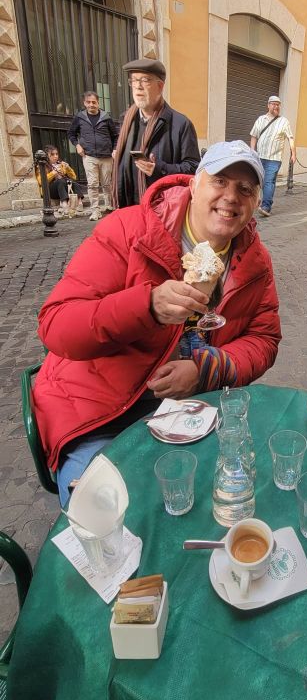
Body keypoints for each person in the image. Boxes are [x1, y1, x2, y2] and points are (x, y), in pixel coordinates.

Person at [33, 141, 281, 505]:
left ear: (256, 201)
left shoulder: (254, 260)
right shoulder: (129, 230)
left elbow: (264, 338)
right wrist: (146, 306)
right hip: (103, 414)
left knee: (228, 496)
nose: (231, 197)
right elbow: (56, 325)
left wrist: (205, 369)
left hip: (195, 412)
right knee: (102, 513)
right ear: (194, 185)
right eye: (220, 181)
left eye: (245, 189)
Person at [112, 58, 200, 208]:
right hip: (129, 206)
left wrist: (159, 168)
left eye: (145, 80)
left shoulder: (181, 124)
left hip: (161, 208)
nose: (138, 87)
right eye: (134, 80)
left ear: (160, 86)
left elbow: (193, 168)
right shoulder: (126, 120)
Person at [69, 91, 119, 221]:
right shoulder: (79, 118)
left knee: (107, 184)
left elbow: (116, 136)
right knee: (92, 184)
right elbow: (71, 134)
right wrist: (77, 145)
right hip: (89, 156)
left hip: (106, 156)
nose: (91, 104)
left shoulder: (106, 117)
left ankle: (109, 206)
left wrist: (115, 149)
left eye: (94, 102)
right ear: (84, 103)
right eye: (88, 102)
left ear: (98, 103)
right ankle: (95, 210)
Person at [249, 96, 296, 217]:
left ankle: (266, 206)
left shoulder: (284, 121)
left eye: (278, 105)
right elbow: (254, 136)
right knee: (257, 181)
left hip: (274, 159)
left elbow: (290, 138)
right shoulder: (261, 119)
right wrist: (252, 151)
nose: (276, 106)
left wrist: (293, 153)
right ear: (268, 105)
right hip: (260, 157)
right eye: (274, 104)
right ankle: (254, 202)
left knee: (269, 182)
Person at [35, 146, 84, 218]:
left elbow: (74, 177)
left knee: (73, 182)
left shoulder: (61, 164)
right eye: (52, 154)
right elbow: (40, 181)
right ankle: (64, 204)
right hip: (50, 191)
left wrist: (68, 168)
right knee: (60, 182)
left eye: (56, 154)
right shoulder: (42, 166)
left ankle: (79, 203)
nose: (55, 156)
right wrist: (53, 173)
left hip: (62, 190)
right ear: (47, 156)